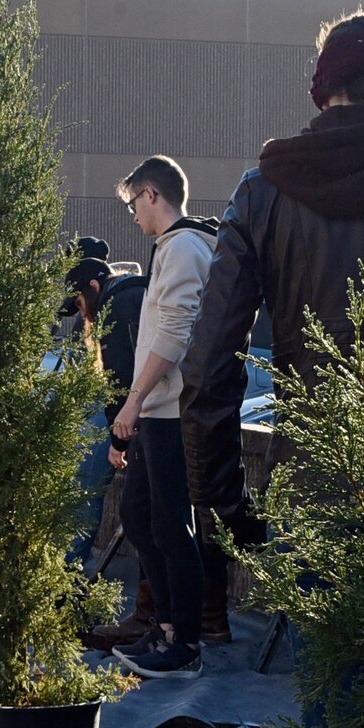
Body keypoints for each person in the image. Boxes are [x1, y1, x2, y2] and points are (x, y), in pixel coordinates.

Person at [180, 10, 364, 728]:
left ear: (322, 88)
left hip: (320, 488)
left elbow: (208, 366)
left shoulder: (264, 190)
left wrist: (226, 508)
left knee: (332, 720)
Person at [110, 156, 217, 679]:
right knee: (140, 517)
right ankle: (167, 628)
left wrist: (132, 403)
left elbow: (174, 337)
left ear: (152, 194)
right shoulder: (171, 250)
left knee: (173, 526)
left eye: (133, 204)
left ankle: (186, 644)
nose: (133, 215)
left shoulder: (184, 249)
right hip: (156, 411)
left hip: (171, 412)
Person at [59, 251, 148, 590]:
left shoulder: (118, 305)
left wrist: (117, 440)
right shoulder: (131, 293)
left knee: (88, 483)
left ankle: (69, 576)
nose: (82, 315)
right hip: (156, 416)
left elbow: (120, 381)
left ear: (94, 286)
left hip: (150, 418)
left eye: (80, 303)